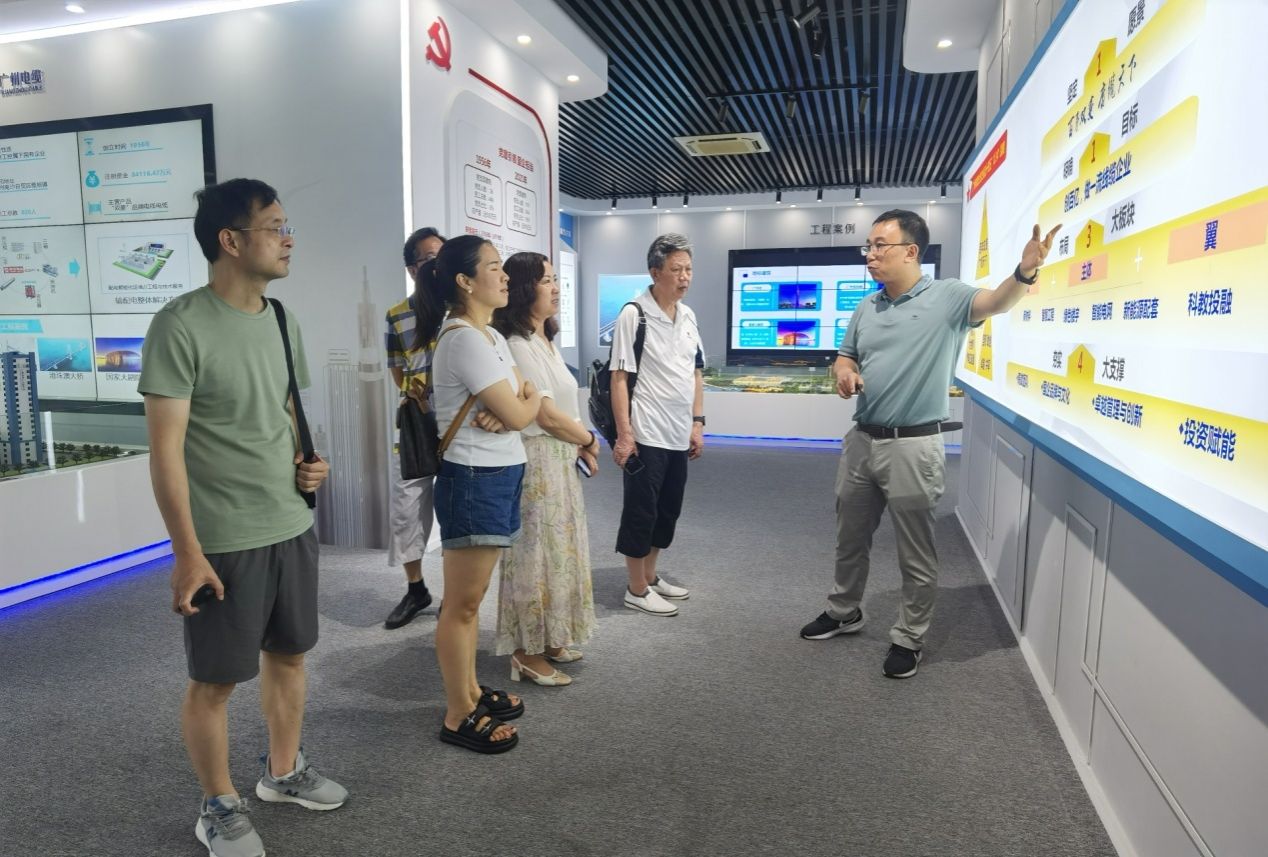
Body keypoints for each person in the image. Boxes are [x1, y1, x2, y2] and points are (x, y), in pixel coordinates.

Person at [140, 178, 347, 857]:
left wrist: (307, 463)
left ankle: (283, 772)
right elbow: (166, 451)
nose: (289, 240)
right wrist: (186, 551)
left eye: (288, 227)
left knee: (289, 656)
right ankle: (218, 805)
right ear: (231, 240)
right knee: (215, 680)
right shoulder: (179, 324)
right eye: (275, 227)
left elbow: (284, 413)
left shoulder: (281, 318)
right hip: (224, 538)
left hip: (290, 523)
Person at [799, 209, 1060, 679]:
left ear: (911, 251)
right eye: (868, 246)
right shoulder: (867, 306)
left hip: (914, 446)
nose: (870, 254)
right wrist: (844, 372)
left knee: (915, 550)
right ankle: (844, 610)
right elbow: (845, 356)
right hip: (862, 440)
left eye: (880, 245)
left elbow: (997, 302)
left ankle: (909, 637)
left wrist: (1025, 272)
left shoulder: (948, 297)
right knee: (849, 538)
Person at [429, 235, 544, 753]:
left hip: (497, 475)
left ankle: (472, 690)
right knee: (462, 604)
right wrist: (518, 406)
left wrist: (519, 404)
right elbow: (521, 408)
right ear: (465, 281)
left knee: (471, 602)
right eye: (494, 267)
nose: (505, 276)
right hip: (474, 478)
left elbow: (525, 393)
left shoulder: (490, 335)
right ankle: (458, 713)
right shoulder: (464, 340)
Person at [491, 252, 598, 686]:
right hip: (537, 463)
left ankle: (550, 638)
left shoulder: (543, 339)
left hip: (558, 460)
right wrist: (588, 439)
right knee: (534, 555)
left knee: (559, 554)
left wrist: (579, 443)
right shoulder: (517, 344)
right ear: (523, 288)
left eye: (556, 279)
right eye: (546, 280)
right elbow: (547, 415)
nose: (556, 288)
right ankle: (525, 652)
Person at [610, 233, 705, 617]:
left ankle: (650, 576)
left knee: (667, 510)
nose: (685, 277)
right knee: (641, 511)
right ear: (655, 272)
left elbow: (696, 372)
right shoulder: (634, 314)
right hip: (646, 432)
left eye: (689, 269)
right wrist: (625, 435)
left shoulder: (688, 315)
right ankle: (635, 588)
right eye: (676, 269)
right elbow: (619, 377)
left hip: (678, 433)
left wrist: (697, 423)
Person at [382, 227, 445, 629]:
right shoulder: (396, 314)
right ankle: (416, 588)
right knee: (407, 509)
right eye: (429, 259)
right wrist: (416, 397)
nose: (438, 265)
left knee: (455, 508)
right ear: (412, 269)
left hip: (460, 423)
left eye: (443, 256)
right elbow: (396, 367)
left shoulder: (462, 306)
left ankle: (455, 591)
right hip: (415, 422)